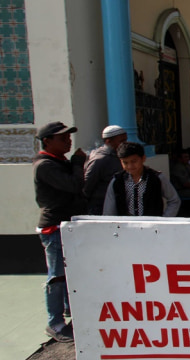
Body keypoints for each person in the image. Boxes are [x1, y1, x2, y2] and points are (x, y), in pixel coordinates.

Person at [33, 121, 86, 342]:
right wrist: (77, 163)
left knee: (68, 273)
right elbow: (73, 185)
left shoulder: (58, 162)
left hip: (67, 225)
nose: (68, 141)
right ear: (48, 141)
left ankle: (68, 310)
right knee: (56, 276)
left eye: (68, 137)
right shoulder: (45, 165)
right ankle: (54, 323)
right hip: (54, 227)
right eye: (63, 138)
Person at [103, 142, 181, 217]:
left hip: (152, 227)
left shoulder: (157, 178)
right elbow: (109, 211)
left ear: (143, 158)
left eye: (134, 161)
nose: (130, 166)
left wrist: (163, 221)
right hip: (126, 227)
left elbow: (174, 200)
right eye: (125, 163)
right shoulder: (116, 181)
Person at [83, 125, 127, 214]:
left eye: (125, 140)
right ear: (108, 141)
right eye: (121, 141)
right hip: (100, 207)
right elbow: (87, 186)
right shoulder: (100, 159)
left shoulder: (119, 155)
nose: (125, 144)